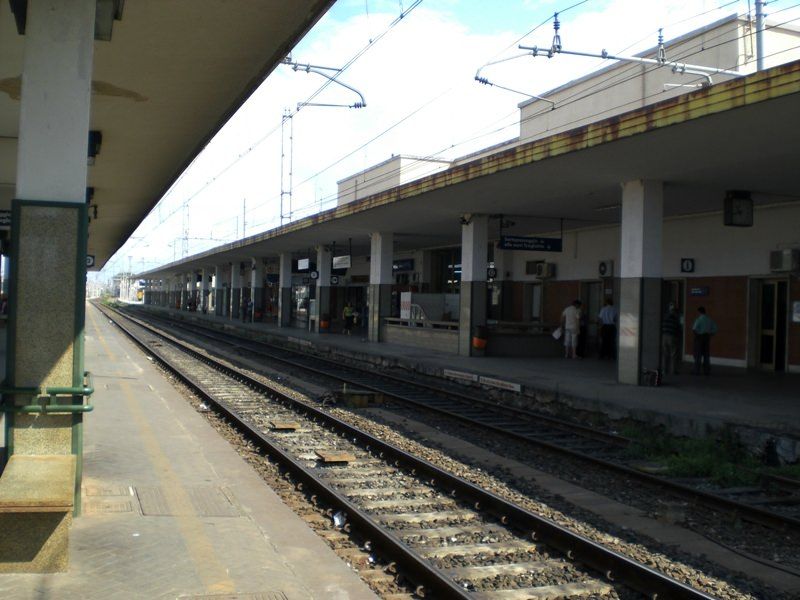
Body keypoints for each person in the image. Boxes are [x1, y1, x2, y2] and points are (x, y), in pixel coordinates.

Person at [691, 306, 717, 375]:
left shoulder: (699, 319)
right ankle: (706, 370)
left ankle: (697, 371)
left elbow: (694, 329)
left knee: (698, 355)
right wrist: (710, 334)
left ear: (699, 312)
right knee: (706, 355)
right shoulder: (709, 319)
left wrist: (697, 336)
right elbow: (715, 329)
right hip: (707, 337)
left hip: (700, 338)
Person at [661, 302, 682, 375]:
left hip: (664, 336)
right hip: (672, 337)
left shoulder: (664, 318)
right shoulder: (675, 319)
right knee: (673, 354)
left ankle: (664, 370)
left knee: (665, 354)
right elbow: (678, 329)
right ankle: (673, 370)